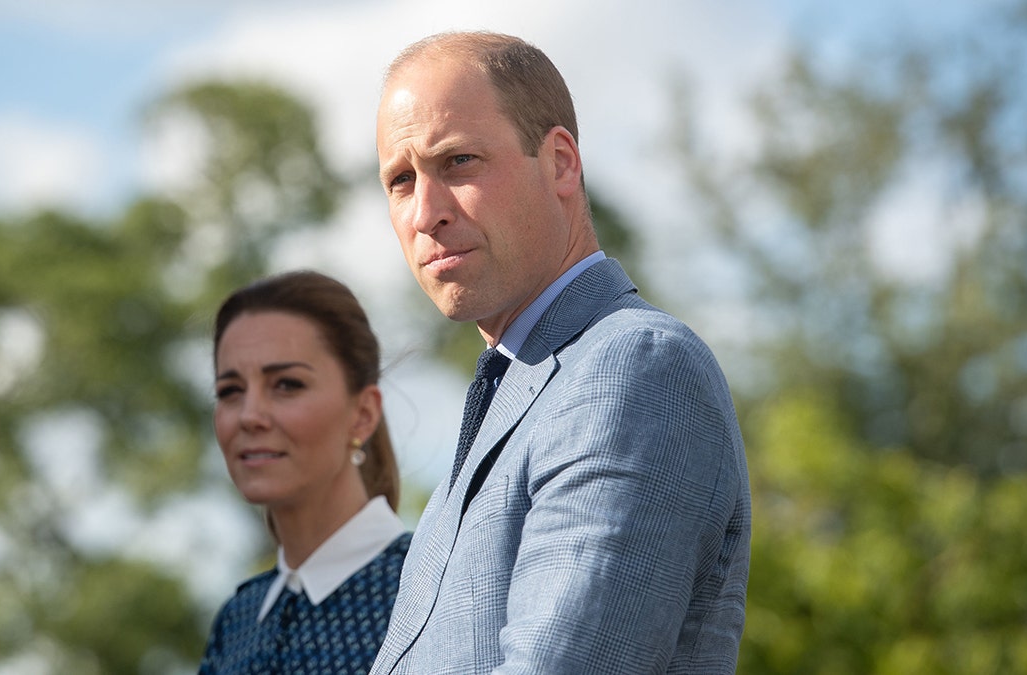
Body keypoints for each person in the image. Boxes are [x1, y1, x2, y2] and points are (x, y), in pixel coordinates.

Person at [370, 31, 751, 674]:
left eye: (458, 162)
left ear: (561, 163)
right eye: (401, 181)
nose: (425, 213)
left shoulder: (634, 368)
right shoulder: (509, 400)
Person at [199, 270, 412, 675]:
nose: (249, 416)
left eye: (287, 384)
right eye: (230, 391)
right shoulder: (237, 621)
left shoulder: (429, 589)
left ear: (363, 414)